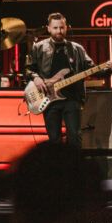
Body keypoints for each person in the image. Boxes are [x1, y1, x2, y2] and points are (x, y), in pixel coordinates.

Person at [28, 13, 94, 147]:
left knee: (75, 137)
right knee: (54, 139)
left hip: (72, 98)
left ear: (66, 28)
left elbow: (92, 68)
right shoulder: (39, 47)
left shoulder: (76, 48)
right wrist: (36, 78)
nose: (59, 31)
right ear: (48, 28)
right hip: (49, 99)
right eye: (55, 28)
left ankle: (74, 161)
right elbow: (28, 69)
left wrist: (109, 68)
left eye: (62, 27)